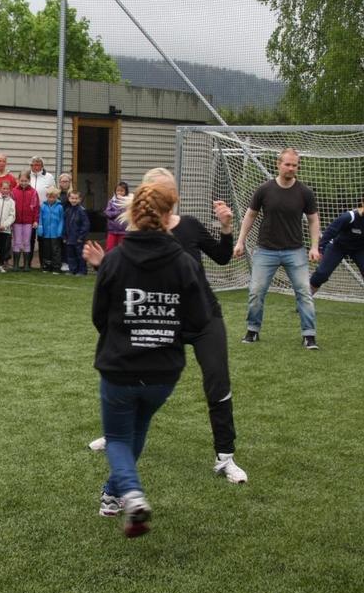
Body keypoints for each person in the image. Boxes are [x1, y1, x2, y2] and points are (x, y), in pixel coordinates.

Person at [84, 167, 247, 485]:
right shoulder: (137, 232)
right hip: (158, 318)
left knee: (217, 383)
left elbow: (223, 257)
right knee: (130, 376)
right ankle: (116, 435)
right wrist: (104, 266)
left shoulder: (189, 226)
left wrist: (227, 229)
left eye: (165, 193)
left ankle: (225, 457)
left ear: (174, 199)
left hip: (202, 318)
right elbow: (126, 277)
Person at [91, 181, 208, 538]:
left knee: (118, 436)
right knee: (136, 430)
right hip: (163, 371)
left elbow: (99, 316)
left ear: (134, 215)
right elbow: (199, 319)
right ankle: (114, 494)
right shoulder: (184, 262)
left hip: (121, 368)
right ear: (170, 215)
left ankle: (131, 493)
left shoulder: (114, 259)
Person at [233, 148, 321, 350]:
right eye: (287, 164)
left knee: (304, 292)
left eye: (295, 165)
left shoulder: (304, 192)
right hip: (265, 250)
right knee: (256, 291)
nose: (291, 168)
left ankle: (309, 336)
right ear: (278, 164)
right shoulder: (264, 189)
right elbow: (250, 216)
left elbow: (313, 220)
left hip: (295, 251)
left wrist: (315, 246)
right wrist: (240, 241)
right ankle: (252, 330)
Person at [28, 156, 55, 266]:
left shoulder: (49, 177)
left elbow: (53, 192)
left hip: (44, 211)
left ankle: (43, 263)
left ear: (42, 166)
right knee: (30, 238)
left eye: (38, 164)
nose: (36, 166)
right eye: (34, 164)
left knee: (42, 238)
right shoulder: (27, 176)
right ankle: (27, 263)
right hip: (30, 212)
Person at [11, 170, 40, 272]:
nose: (23, 183)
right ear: (18, 180)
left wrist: (35, 220)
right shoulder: (13, 192)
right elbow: (11, 207)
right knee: (17, 242)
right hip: (16, 221)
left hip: (28, 222)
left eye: (26, 181)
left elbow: (36, 208)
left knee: (27, 242)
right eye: (21, 180)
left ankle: (27, 265)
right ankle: (15, 265)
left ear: (29, 180)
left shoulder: (33, 192)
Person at [37, 187, 64, 273]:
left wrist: (59, 231)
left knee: (56, 251)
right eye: (49, 197)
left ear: (57, 197)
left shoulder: (60, 207)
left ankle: (56, 267)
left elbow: (61, 220)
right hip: (46, 234)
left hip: (55, 234)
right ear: (46, 196)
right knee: (46, 250)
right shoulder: (43, 206)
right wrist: (40, 228)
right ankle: (46, 267)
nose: (51, 199)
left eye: (54, 197)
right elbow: (40, 218)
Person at [64, 190, 90, 276]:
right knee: (70, 255)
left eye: (76, 198)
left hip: (78, 238)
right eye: (72, 198)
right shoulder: (68, 210)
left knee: (80, 254)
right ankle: (73, 270)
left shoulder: (82, 211)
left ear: (79, 199)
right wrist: (64, 236)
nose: (74, 200)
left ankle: (82, 271)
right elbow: (65, 224)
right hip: (69, 238)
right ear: (69, 199)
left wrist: (81, 237)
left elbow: (86, 225)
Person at [104, 181, 130, 251]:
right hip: (112, 230)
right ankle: (110, 261)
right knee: (110, 248)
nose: (119, 192)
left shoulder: (129, 202)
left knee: (122, 249)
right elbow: (107, 213)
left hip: (123, 231)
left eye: (122, 191)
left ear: (126, 192)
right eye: (118, 190)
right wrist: (118, 213)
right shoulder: (111, 202)